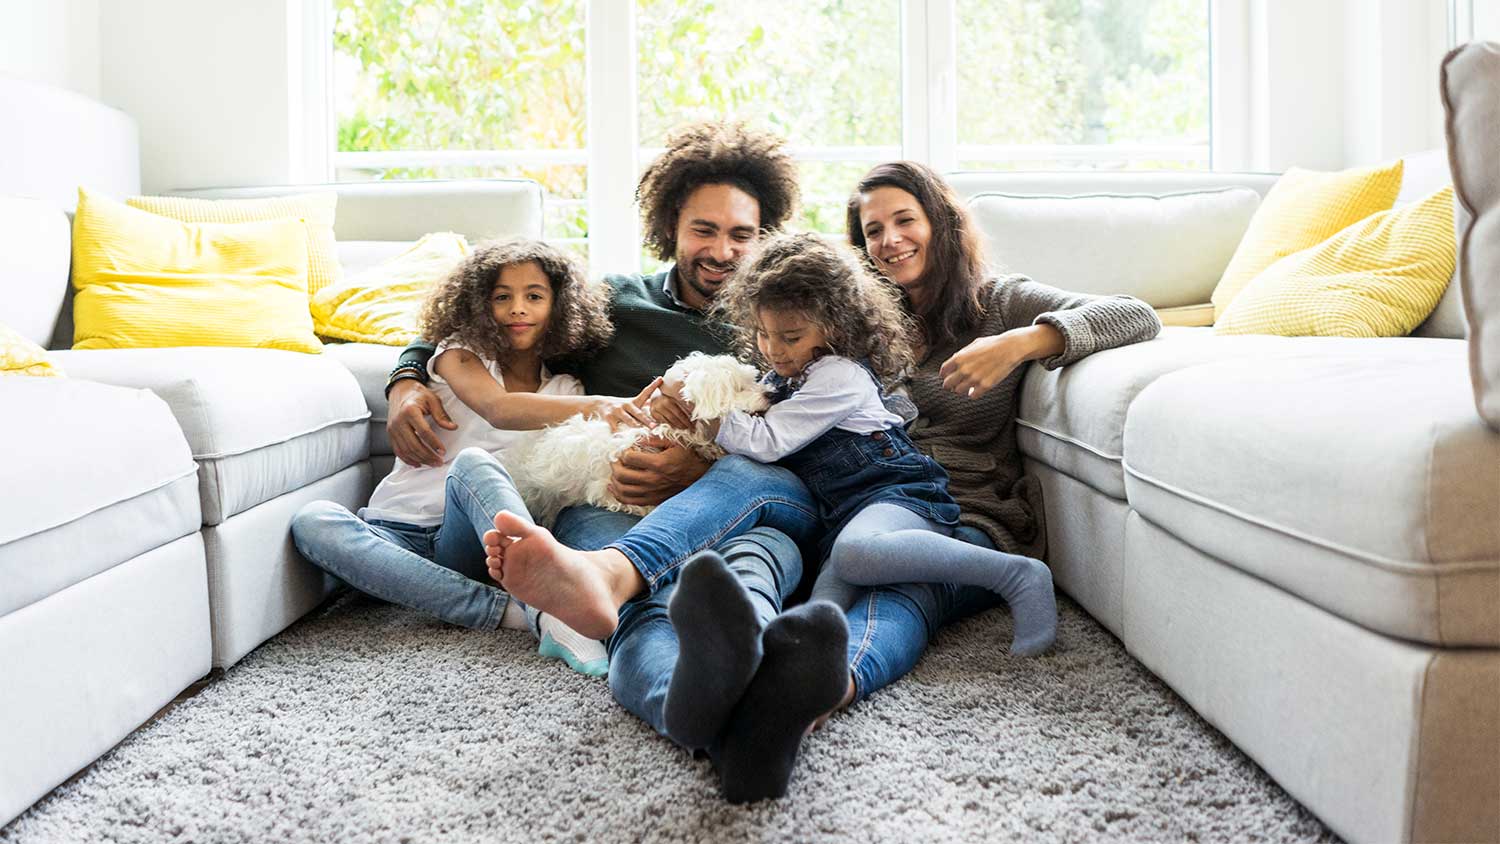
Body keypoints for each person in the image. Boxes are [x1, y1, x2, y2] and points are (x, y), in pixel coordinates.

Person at [382, 123, 821, 767]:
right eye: (704, 229)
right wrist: (406, 376)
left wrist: (699, 464)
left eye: (741, 234)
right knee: (635, 609)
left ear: (765, 237)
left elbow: (822, 426)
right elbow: (490, 320)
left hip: (736, 502)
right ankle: (695, 705)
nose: (721, 250)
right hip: (609, 500)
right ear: (670, 224)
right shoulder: (615, 303)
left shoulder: (783, 323)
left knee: (766, 541)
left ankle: (740, 672)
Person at [290, 238, 616, 675]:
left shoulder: (566, 391)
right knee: (313, 522)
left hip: (473, 543)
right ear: (480, 305)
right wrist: (610, 404)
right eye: (502, 297)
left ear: (559, 307)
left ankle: (486, 598)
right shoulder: (457, 354)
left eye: (534, 296)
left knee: (475, 464)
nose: (518, 308)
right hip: (395, 535)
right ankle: (522, 613)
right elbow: (498, 409)